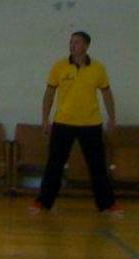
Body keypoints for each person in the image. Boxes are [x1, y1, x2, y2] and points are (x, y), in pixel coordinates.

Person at [31, 30, 121, 215]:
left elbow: (107, 94)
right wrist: (44, 119)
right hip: (63, 123)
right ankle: (44, 202)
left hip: (91, 124)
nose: (72, 45)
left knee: (97, 165)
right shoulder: (59, 66)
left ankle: (107, 204)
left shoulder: (98, 68)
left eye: (77, 42)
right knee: (54, 164)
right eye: (71, 42)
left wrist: (112, 118)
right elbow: (49, 93)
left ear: (86, 46)